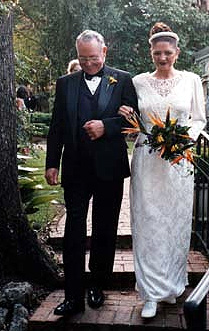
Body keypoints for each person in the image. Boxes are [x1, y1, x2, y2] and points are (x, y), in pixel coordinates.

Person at [45, 29, 138, 316]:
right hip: (75, 168)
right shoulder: (65, 84)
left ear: (105, 52)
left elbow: (134, 120)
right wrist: (51, 163)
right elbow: (57, 125)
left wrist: (106, 126)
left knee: (105, 229)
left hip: (109, 168)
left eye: (94, 59)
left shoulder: (122, 80)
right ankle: (73, 295)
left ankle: (98, 285)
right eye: (83, 59)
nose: (88, 65)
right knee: (73, 230)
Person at [119, 22, 206, 318]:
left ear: (177, 52)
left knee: (176, 224)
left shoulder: (192, 80)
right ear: (151, 53)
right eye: (158, 53)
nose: (163, 57)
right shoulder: (139, 82)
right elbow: (130, 114)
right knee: (149, 224)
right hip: (147, 160)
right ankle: (151, 294)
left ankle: (171, 287)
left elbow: (198, 120)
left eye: (168, 52)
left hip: (179, 163)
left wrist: (181, 140)